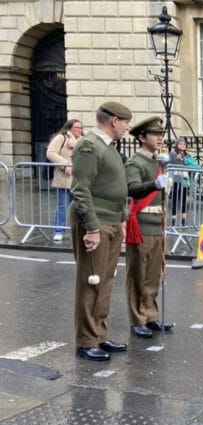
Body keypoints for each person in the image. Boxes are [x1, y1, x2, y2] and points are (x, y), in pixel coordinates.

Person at [69, 102, 132, 362]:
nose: (128, 127)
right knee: (90, 282)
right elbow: (80, 190)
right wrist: (93, 228)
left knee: (105, 282)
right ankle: (86, 341)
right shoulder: (89, 146)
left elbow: (114, 189)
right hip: (95, 222)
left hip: (111, 221)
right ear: (114, 120)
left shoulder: (108, 147)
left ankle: (99, 335)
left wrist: (122, 219)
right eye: (126, 122)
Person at [124, 117, 172, 339]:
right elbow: (132, 188)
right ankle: (138, 319)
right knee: (138, 275)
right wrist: (154, 183)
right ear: (142, 137)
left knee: (153, 275)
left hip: (156, 224)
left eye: (161, 134)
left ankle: (151, 315)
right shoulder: (136, 163)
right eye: (154, 134)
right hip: (141, 225)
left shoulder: (158, 162)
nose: (160, 137)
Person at [46, 119, 83, 242]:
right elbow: (50, 153)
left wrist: (76, 146)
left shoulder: (82, 140)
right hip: (64, 178)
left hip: (79, 179)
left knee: (80, 206)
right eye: (77, 127)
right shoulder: (61, 138)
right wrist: (66, 164)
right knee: (62, 205)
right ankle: (59, 230)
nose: (79, 130)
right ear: (69, 128)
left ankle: (79, 230)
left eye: (80, 127)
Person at [168, 137, 192, 227]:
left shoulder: (187, 156)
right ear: (177, 145)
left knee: (184, 199)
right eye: (181, 143)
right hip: (175, 179)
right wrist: (176, 160)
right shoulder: (172, 155)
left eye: (184, 144)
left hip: (184, 179)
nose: (183, 145)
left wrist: (184, 161)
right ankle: (173, 219)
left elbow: (193, 166)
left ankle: (183, 219)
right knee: (174, 199)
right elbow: (169, 165)